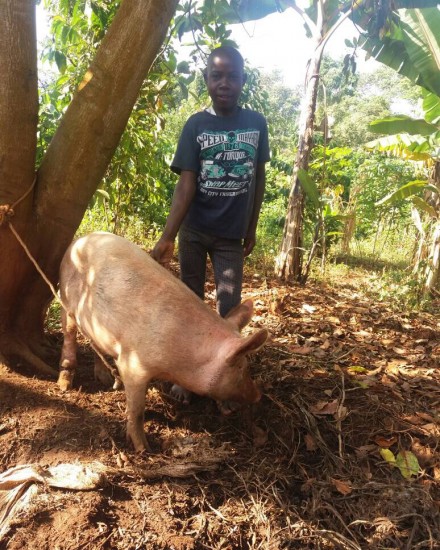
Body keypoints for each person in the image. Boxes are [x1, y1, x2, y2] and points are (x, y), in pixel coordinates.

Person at [152, 45, 270, 319]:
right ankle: (192, 359)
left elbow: (259, 178)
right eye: (216, 76)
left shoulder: (256, 123)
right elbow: (186, 182)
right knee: (190, 300)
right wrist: (168, 236)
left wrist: (250, 229)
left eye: (232, 76)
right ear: (206, 79)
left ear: (243, 80)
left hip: (231, 234)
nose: (224, 84)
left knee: (229, 307)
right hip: (194, 230)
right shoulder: (196, 125)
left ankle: (226, 360)